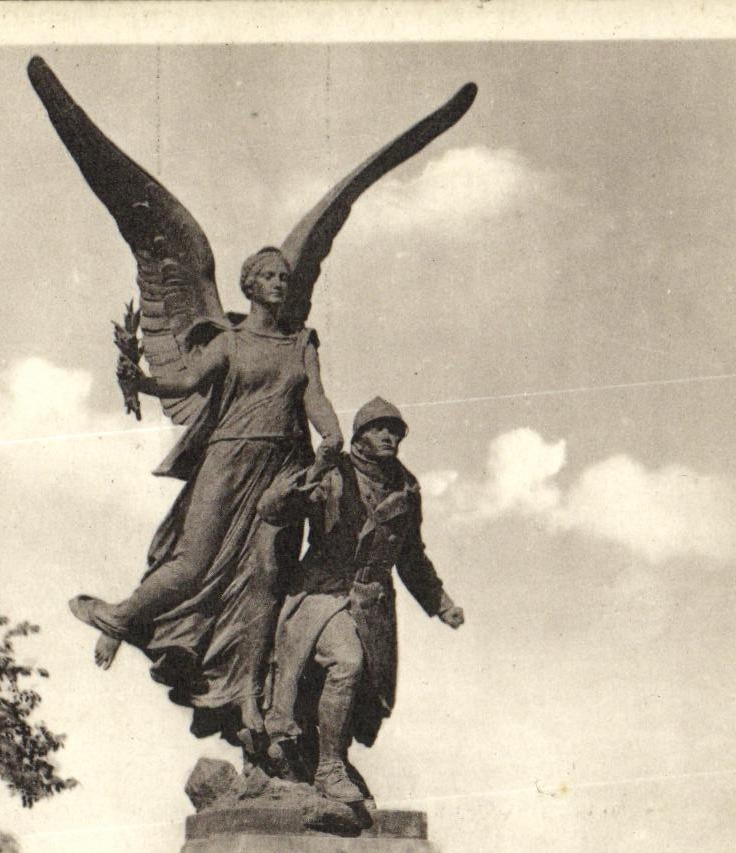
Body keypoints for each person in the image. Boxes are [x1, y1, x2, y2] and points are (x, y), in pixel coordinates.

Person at [69, 248, 343, 754]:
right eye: (268, 276)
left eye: (284, 277)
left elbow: (315, 396)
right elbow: (186, 381)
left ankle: (247, 695)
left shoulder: (302, 343)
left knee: (266, 582)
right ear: (249, 286)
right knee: (192, 564)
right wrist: (140, 381)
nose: (279, 283)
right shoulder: (229, 342)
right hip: (228, 462)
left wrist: (331, 433)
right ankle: (122, 617)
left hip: (283, 472)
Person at [258, 397, 464, 803]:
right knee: (346, 663)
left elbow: (410, 555)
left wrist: (441, 602)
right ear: (359, 435)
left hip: (372, 604)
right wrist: (315, 471)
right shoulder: (334, 473)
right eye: (379, 428)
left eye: (396, 431)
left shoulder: (406, 488)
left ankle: (325, 756)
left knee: (364, 692)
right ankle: (329, 769)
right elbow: (272, 510)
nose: (389, 436)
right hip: (323, 593)